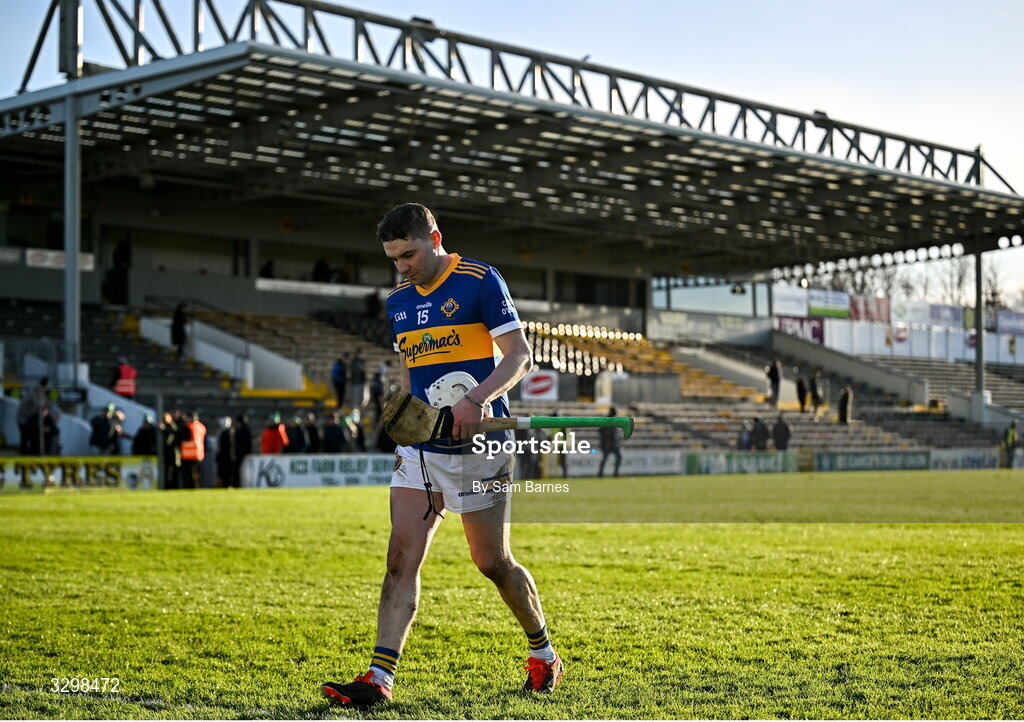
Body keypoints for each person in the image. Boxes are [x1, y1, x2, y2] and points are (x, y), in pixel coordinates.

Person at [321, 203, 561, 709]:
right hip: (422, 450)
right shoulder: (399, 300)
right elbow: (415, 372)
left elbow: (520, 356)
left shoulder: (480, 280)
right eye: (393, 258)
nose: (402, 266)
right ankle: (379, 679)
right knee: (399, 559)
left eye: (409, 254)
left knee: (491, 562)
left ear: (435, 237)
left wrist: (476, 400)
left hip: (480, 448)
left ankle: (543, 652)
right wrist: (408, 424)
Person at [180, 411, 206, 488]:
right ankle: (197, 486)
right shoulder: (202, 427)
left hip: (188, 454)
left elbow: (183, 438)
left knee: (189, 474)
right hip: (199, 454)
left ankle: (191, 487)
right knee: (197, 473)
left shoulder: (188, 427)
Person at [598, 406, 622, 477]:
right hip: (607, 444)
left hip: (614, 444)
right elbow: (601, 431)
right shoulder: (606, 420)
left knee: (617, 458)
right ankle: (601, 473)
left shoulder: (614, 420)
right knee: (604, 459)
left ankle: (615, 473)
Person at [161, 411, 183, 488]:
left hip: (173, 452)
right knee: (167, 470)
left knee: (174, 470)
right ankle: (167, 486)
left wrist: (165, 428)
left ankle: (175, 486)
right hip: (167, 452)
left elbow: (175, 432)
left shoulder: (172, 426)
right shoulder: (168, 426)